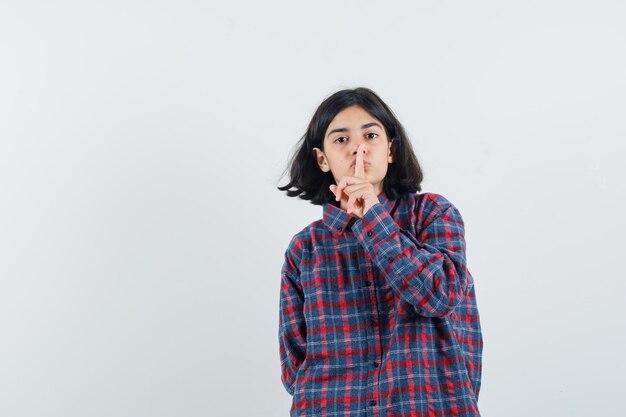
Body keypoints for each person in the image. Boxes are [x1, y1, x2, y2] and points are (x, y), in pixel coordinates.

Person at [277, 87, 483, 417]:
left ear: (390, 150)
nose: (358, 148)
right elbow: (294, 365)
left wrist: (372, 216)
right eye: (341, 139)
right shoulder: (305, 248)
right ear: (322, 159)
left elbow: (442, 294)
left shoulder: (432, 214)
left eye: (371, 135)